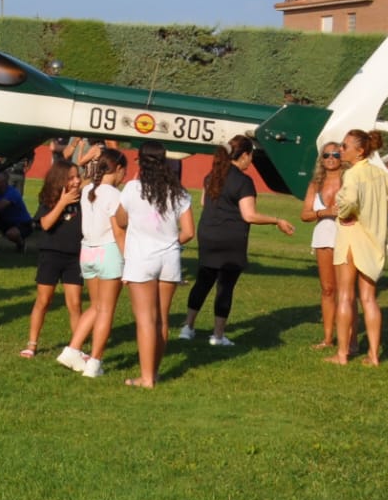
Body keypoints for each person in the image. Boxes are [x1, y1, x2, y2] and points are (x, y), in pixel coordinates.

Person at [181, 135, 294, 347]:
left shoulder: (212, 175)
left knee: (203, 281)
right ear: (243, 155)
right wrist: (277, 220)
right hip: (230, 238)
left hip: (208, 234)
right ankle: (218, 335)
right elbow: (249, 215)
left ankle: (188, 327)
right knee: (225, 286)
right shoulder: (243, 181)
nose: (251, 161)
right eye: (250, 156)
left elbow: (205, 202)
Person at [114, 142, 193, 389]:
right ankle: (154, 373)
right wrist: (169, 242)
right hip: (169, 258)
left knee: (146, 320)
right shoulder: (178, 191)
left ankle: (146, 378)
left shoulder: (132, 188)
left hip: (141, 259)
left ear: (139, 161)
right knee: (162, 320)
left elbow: (120, 219)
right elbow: (189, 232)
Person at [329, 128, 388, 366]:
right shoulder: (378, 174)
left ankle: (342, 354)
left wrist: (343, 214)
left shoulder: (353, 174)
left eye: (344, 146)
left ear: (359, 151)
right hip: (375, 241)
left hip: (352, 237)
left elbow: (350, 202)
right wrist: (380, 213)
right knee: (369, 298)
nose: (339, 150)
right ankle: (373, 355)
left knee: (345, 295)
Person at [58, 147, 128, 377]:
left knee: (96, 307)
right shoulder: (115, 195)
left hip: (87, 252)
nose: (124, 177)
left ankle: (72, 349)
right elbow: (119, 232)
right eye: (123, 172)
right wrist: (129, 259)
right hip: (108, 252)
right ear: (117, 169)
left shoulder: (88, 189)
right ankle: (94, 361)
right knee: (106, 310)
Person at [23, 158, 83, 355]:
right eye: (71, 178)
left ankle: (76, 347)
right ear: (59, 180)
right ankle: (32, 344)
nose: (76, 181)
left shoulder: (84, 198)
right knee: (44, 300)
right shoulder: (48, 199)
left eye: (78, 177)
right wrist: (63, 203)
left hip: (75, 257)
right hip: (51, 255)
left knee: (75, 304)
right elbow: (46, 224)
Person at [301, 142, 345, 348]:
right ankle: (328, 338)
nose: (330, 158)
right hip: (323, 238)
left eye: (335, 154)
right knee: (327, 289)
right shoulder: (315, 185)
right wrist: (323, 212)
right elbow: (304, 214)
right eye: (326, 155)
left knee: (344, 290)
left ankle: (348, 338)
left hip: (345, 237)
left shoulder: (350, 181)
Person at [0, 173, 34, 252]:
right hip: (6, 221)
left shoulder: (12, 193)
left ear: (4, 182)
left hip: (23, 224)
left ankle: (21, 244)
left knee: (11, 234)